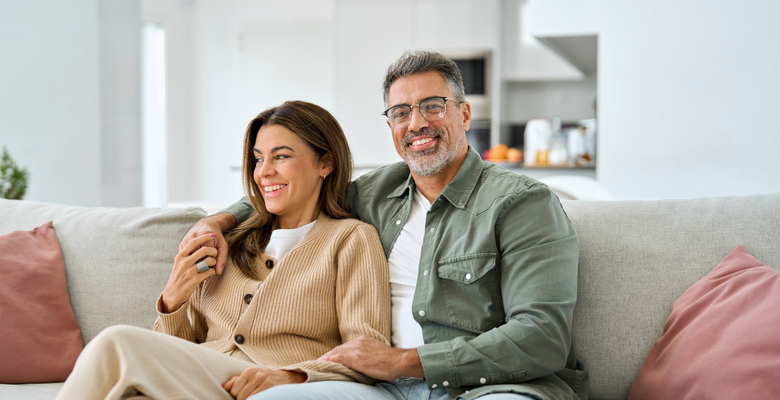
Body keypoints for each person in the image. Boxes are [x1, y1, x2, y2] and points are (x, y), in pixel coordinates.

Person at [183, 51, 587, 400]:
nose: (416, 124)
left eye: (433, 105)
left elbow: (542, 336)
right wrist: (220, 220)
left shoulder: (521, 203)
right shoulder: (376, 192)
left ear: (464, 113)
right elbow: (294, 188)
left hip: (487, 388)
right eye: (400, 113)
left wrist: (404, 361)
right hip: (380, 389)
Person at [55, 101, 391, 400]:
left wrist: (290, 376)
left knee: (117, 343)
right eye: (258, 159)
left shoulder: (351, 240)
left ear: (326, 163)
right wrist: (173, 298)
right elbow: (179, 349)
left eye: (281, 156)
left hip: (266, 383)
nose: (264, 172)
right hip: (205, 381)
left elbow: (366, 353)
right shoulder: (227, 243)